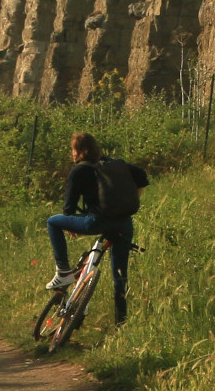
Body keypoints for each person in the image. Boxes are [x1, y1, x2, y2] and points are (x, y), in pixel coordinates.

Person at [45, 131, 148, 323]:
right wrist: (130, 201)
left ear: (80, 151)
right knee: (120, 277)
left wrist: (71, 225)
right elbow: (141, 175)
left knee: (52, 221)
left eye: (73, 149)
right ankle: (121, 323)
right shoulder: (112, 164)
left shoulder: (79, 170)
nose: (72, 154)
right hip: (124, 223)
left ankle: (64, 271)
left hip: (96, 222)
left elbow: (68, 208)